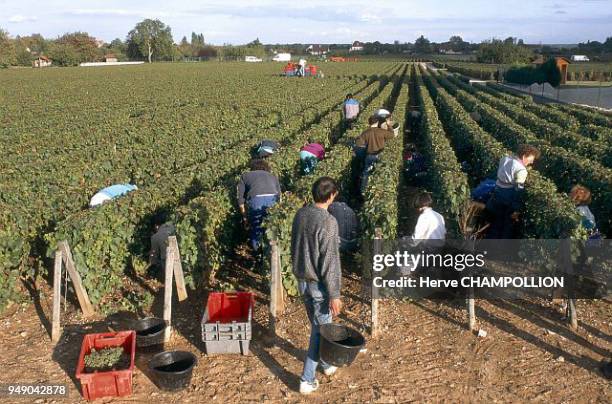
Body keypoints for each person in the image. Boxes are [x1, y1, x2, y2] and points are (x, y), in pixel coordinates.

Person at [291, 177, 342, 395]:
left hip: (302, 281)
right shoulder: (328, 222)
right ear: (331, 196)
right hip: (319, 286)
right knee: (320, 332)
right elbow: (330, 262)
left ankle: (326, 363)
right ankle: (307, 379)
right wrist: (334, 294)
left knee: (318, 327)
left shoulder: (301, 214)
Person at [486, 144, 540, 239]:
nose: (531, 162)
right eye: (531, 159)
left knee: (496, 221)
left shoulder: (505, 158)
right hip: (508, 197)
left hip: (497, 192)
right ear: (524, 156)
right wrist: (516, 209)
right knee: (507, 225)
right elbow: (518, 190)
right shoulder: (521, 170)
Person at [237, 159, 281, 251]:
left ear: (252, 168)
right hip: (272, 199)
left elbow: (240, 198)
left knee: (256, 227)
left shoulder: (245, 176)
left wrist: (245, 217)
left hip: (256, 200)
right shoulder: (273, 176)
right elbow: (279, 196)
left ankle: (258, 252)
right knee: (272, 227)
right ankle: (271, 252)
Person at [355, 114, 396, 194]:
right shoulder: (381, 131)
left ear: (369, 123)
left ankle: (363, 191)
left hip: (370, 155)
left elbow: (358, 143)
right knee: (378, 174)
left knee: (366, 173)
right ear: (377, 122)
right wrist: (389, 125)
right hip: (379, 155)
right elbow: (392, 135)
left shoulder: (366, 132)